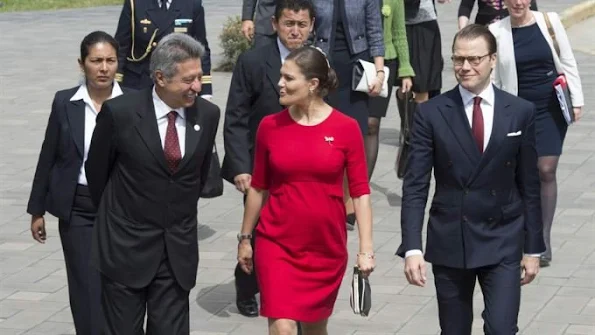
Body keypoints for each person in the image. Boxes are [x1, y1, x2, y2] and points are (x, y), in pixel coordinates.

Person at [397, 24, 545, 334]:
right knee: (454, 330)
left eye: (474, 59)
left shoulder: (519, 111)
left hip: (503, 237)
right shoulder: (432, 113)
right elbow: (415, 185)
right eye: (458, 59)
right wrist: (412, 248)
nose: (465, 67)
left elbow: (529, 185)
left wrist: (533, 248)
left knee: (502, 328)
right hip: (451, 237)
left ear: (493, 59)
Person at [85, 33, 220, 334]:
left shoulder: (208, 115)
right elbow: (98, 173)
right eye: (188, 80)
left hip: (176, 255)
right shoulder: (120, 113)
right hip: (125, 249)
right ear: (160, 77)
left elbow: (196, 179)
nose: (197, 87)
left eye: (199, 77)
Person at [237, 46, 375, 335]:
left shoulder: (347, 128)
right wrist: (246, 238)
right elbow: (259, 188)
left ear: (313, 85)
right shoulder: (269, 126)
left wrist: (366, 250)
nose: (280, 84)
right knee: (283, 328)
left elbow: (360, 193)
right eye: (280, 76)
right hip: (276, 243)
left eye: (288, 78)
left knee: (314, 329)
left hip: (325, 248)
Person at [26, 31, 125, 335]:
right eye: (96, 61)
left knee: (120, 288)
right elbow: (49, 154)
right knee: (85, 287)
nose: (104, 68)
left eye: (110, 60)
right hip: (79, 209)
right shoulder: (65, 102)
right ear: (82, 64)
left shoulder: (133, 102)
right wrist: (37, 209)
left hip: (121, 210)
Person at [222, 0, 315, 319]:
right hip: (260, 165)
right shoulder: (252, 61)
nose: (295, 31)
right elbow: (235, 116)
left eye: (302, 24)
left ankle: (288, 285)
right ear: (274, 24)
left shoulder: (317, 63)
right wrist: (240, 169)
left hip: (303, 164)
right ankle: (247, 284)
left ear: (312, 25)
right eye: (289, 23)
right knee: (262, 231)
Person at [489, 0, 584, 267]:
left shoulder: (550, 22)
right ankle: (522, 233)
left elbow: (567, 60)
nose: (518, 3)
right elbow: (494, 78)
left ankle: (542, 238)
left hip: (550, 107)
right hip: (517, 110)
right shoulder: (496, 32)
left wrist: (576, 100)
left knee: (546, 169)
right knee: (522, 172)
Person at [312, 0, 384, 230]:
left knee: (353, 136)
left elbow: (375, 30)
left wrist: (380, 72)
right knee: (323, 135)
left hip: (355, 70)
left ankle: (347, 200)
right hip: (323, 68)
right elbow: (307, 29)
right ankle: (327, 196)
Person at [114, 0, 214, 99]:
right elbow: (121, 46)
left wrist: (205, 90)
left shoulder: (192, 4)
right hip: (139, 80)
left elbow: (200, 48)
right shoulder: (135, 3)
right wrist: (115, 83)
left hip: (175, 81)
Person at [366, 0, 414, 179]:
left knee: (372, 123)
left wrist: (405, 70)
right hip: (357, 60)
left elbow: (399, 32)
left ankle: (363, 185)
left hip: (386, 62)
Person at [458, 0, 538, 29]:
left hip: (512, 28)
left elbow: (531, 7)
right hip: (484, 30)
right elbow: (466, 6)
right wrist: (462, 30)